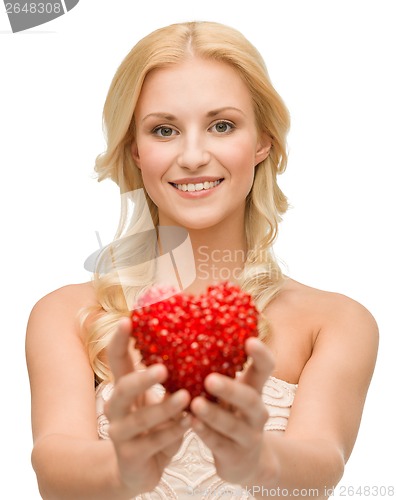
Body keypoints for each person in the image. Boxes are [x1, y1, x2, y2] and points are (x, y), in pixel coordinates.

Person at [26, 21, 379, 499]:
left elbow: (323, 467)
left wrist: (258, 460)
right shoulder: (68, 314)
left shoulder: (337, 321)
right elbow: (54, 467)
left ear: (262, 142)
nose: (192, 156)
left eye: (222, 125)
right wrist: (123, 469)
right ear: (135, 150)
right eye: (164, 130)